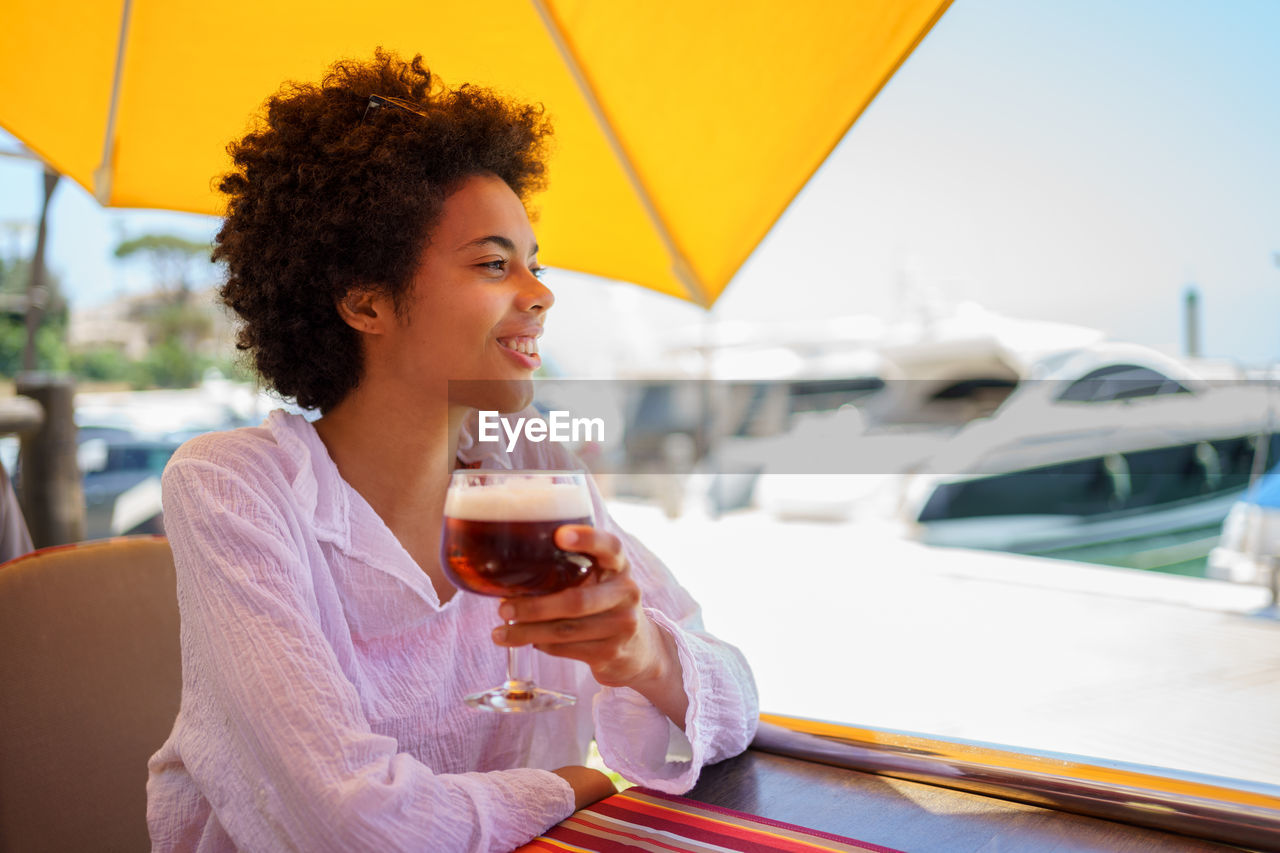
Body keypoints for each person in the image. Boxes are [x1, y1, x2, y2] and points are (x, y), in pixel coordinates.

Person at [146, 50, 758, 852]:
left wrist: (643, 653)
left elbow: (736, 694)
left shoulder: (529, 470)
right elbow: (349, 826)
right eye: (495, 263)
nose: (539, 292)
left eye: (535, 264)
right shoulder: (233, 487)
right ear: (366, 301)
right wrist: (566, 787)